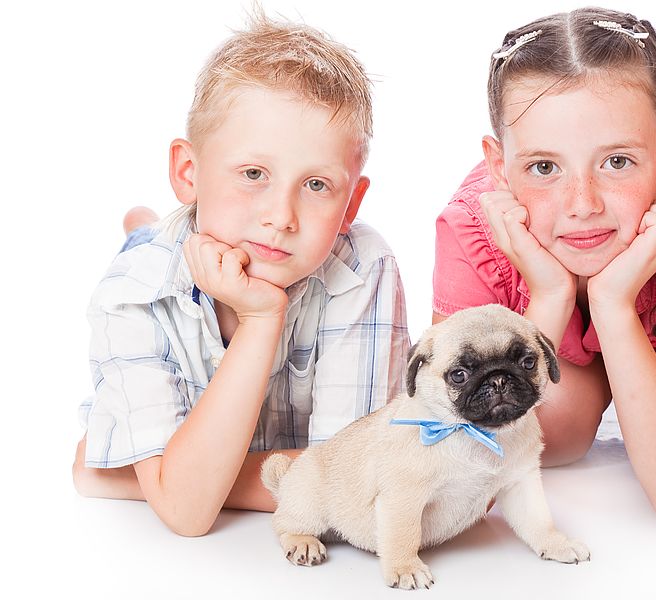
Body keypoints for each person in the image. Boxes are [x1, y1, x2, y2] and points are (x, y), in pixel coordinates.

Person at [432, 7, 656, 529]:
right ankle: (611, 388)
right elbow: (449, 466)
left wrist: (612, 305)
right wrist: (551, 298)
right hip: (561, 357)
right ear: (499, 169)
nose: (582, 204)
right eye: (543, 167)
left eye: (617, 162)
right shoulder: (473, 230)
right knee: (561, 423)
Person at [71, 11, 409, 537]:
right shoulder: (130, 294)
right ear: (188, 172)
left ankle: (156, 220)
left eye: (316, 185)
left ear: (351, 205)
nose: (282, 217)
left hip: (219, 240)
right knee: (144, 243)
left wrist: (148, 478)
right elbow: (188, 516)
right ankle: (143, 226)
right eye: (253, 174)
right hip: (168, 258)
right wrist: (261, 320)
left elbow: (357, 488)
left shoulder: (364, 268)